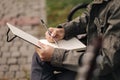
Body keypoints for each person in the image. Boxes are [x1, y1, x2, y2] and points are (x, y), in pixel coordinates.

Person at [31, 0, 120, 80]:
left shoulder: (117, 8)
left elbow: (106, 62)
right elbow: (89, 17)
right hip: (93, 53)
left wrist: (56, 55)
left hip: (107, 72)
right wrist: (64, 30)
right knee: (39, 56)